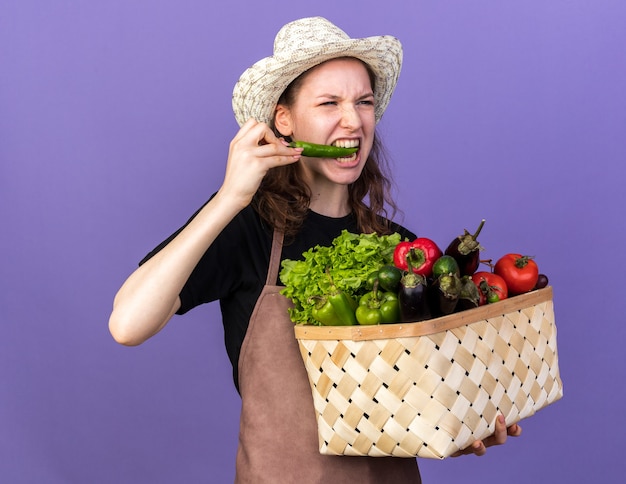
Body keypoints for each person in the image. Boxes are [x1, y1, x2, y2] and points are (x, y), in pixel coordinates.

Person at [109, 16, 521, 483]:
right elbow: (127, 324)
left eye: (363, 102)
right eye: (330, 102)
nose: (353, 119)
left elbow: (419, 401)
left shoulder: (402, 249)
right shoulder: (248, 230)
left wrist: (465, 427)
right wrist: (229, 198)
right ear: (284, 120)